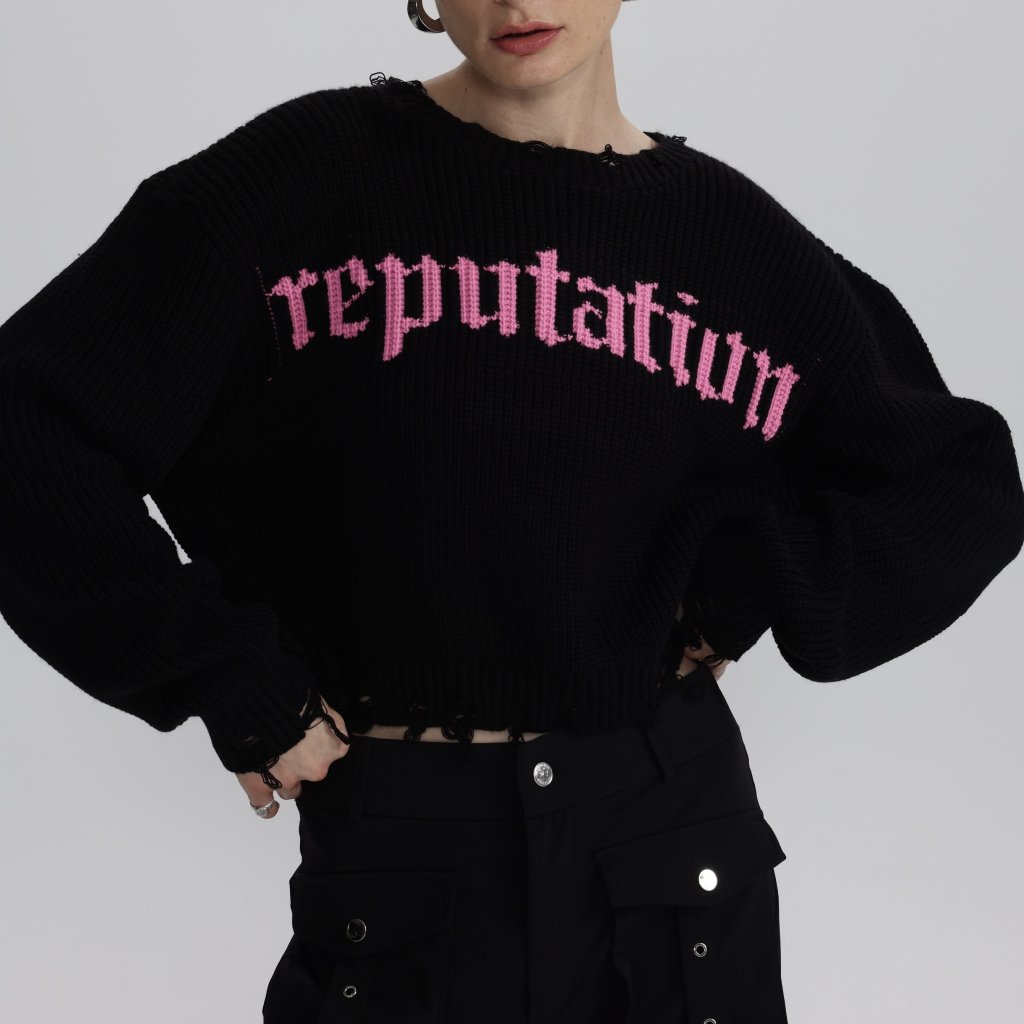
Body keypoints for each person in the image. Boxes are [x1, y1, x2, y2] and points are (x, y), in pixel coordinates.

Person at [1, 1, 1022, 1022]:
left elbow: (963, 478)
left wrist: (750, 584)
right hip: (405, 857)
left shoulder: (730, 241)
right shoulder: (295, 185)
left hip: (669, 854)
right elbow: (27, 420)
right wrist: (223, 672)